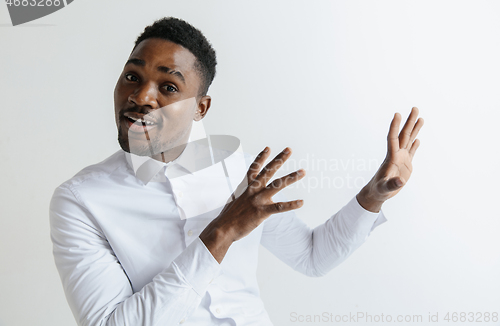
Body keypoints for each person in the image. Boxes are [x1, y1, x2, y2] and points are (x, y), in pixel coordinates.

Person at [49, 17, 424, 326]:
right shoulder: (81, 200)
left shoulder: (239, 170)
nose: (142, 96)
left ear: (201, 108)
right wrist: (222, 232)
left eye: (168, 86)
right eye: (133, 76)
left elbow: (312, 257)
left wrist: (373, 196)